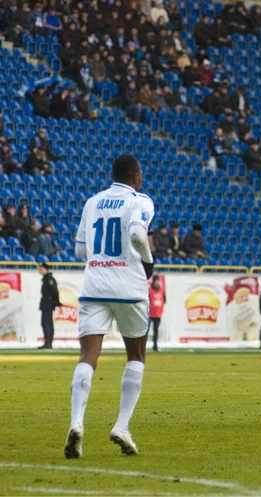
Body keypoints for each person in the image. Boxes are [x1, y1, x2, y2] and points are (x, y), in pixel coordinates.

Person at [64, 154, 155, 459]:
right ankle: (121, 426)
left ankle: (77, 423)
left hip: (94, 287)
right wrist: (148, 261)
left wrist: (101, 258)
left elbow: (79, 250)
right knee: (136, 354)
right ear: (137, 176)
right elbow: (136, 233)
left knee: (88, 355)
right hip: (129, 288)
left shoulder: (92, 203)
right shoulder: (140, 201)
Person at [38, 263, 61, 350]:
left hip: (48, 303)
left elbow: (54, 291)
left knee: (47, 323)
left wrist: (56, 302)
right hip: (46, 303)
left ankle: (48, 342)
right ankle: (47, 341)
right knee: (45, 323)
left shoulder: (49, 279)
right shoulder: (46, 279)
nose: (40, 271)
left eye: (41, 269)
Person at [148, 275, 165, 352]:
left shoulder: (162, 290)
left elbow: (164, 300)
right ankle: (141, 346)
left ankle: (155, 345)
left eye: (158, 281)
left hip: (158, 314)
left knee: (156, 330)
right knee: (145, 330)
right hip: (149, 313)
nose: (157, 282)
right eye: (156, 281)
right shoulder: (149, 290)